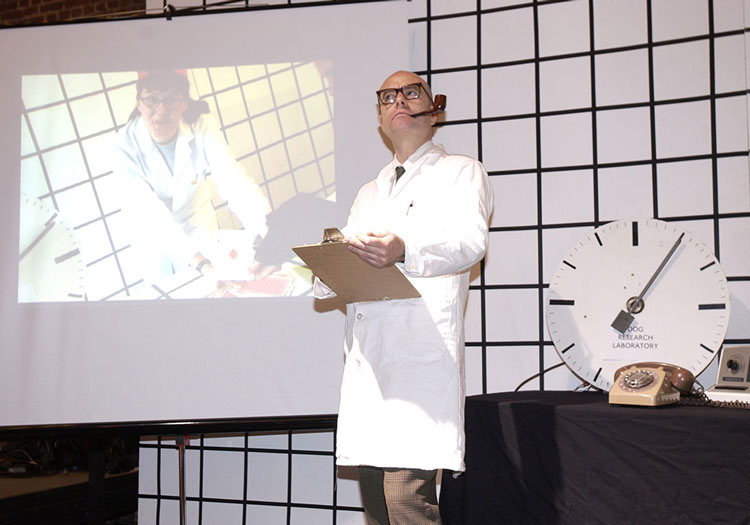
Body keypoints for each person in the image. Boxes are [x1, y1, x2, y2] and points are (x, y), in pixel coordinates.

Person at [314, 71, 493, 524]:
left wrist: (404, 249)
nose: (398, 101)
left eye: (411, 92)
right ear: (379, 117)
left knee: (407, 502)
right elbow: (351, 266)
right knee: (377, 508)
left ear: (435, 111)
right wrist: (329, 267)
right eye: (387, 97)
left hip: (420, 356)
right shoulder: (368, 191)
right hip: (370, 365)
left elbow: (470, 243)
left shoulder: (461, 172)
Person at [112, 70, 271, 288]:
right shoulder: (123, 146)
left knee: (212, 290)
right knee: (164, 297)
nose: (161, 110)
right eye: (151, 99)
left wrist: (269, 234)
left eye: (171, 99)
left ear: (184, 102)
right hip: (150, 235)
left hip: (197, 222)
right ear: (139, 103)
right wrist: (201, 263)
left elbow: (234, 181)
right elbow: (149, 212)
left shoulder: (202, 126)